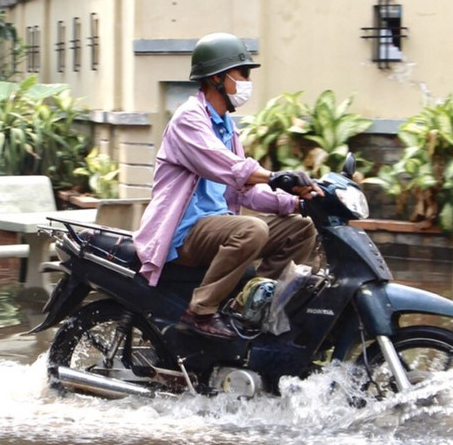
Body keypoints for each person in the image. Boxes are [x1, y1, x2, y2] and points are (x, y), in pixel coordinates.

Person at [132, 32, 321, 341]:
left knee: (301, 228)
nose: (247, 80)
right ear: (219, 78)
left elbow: (247, 191)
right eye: (243, 73)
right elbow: (229, 167)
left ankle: (254, 306)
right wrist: (276, 176)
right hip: (184, 231)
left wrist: (299, 202)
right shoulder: (188, 119)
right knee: (252, 230)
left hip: (217, 225)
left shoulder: (227, 128)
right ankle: (200, 311)